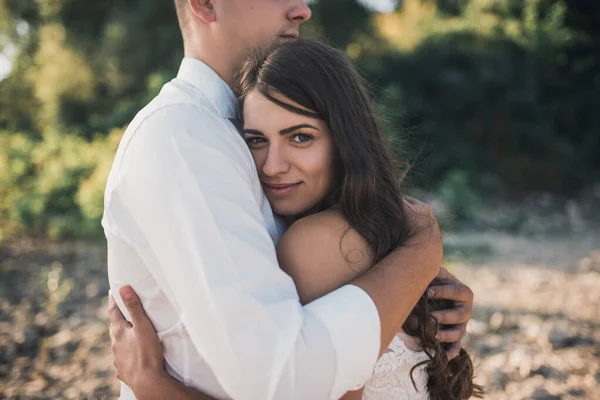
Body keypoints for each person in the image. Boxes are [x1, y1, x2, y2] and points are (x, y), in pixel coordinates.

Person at [103, 1, 474, 399]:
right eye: (257, 140)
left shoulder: (232, 135)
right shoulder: (182, 135)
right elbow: (284, 380)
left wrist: (415, 270)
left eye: (300, 137)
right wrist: (418, 255)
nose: (302, 9)